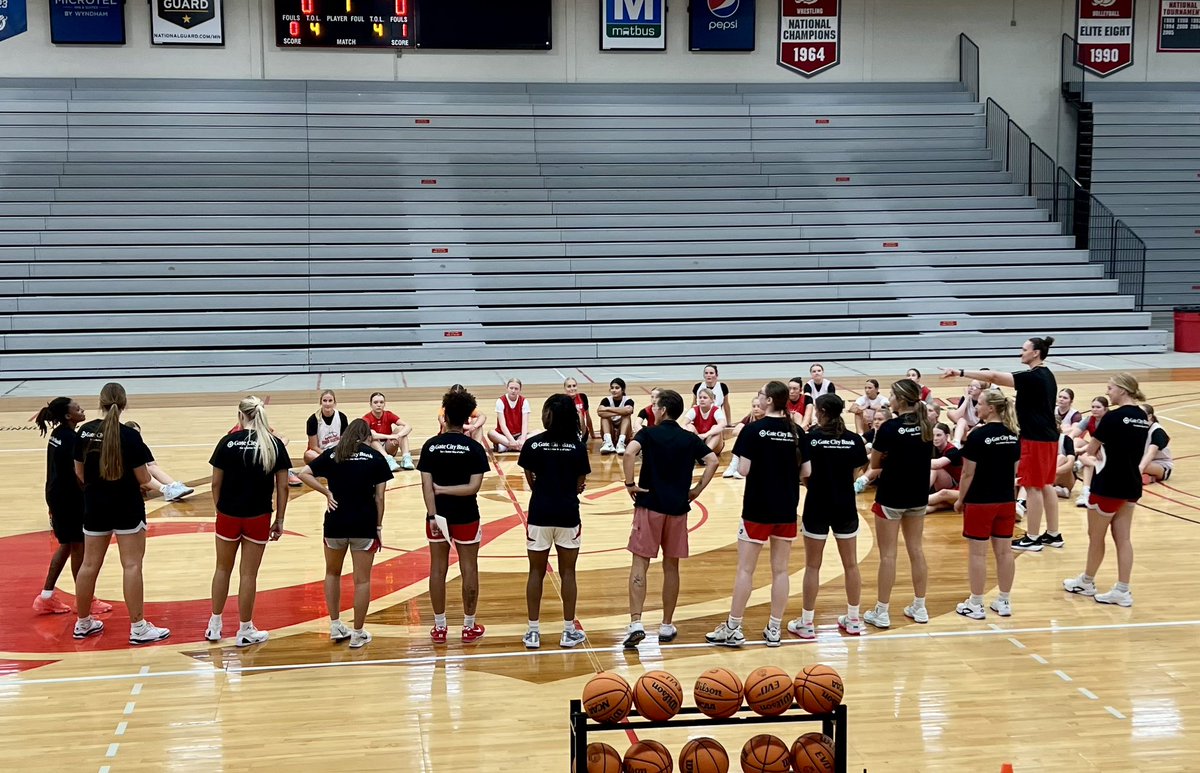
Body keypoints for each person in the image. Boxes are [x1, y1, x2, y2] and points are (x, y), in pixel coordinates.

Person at [940, 336, 1061, 552]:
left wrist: (960, 372)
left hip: (1036, 438)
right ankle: (1053, 533)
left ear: (1035, 353)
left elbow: (994, 376)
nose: (1020, 352)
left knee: (1033, 487)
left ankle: (1033, 537)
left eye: (1024, 349)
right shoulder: (1047, 375)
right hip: (1049, 436)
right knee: (1045, 485)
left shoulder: (1033, 377)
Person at [71, 383, 170, 645]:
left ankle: (83, 623)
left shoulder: (85, 432)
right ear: (124, 403)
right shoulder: (130, 436)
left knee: (89, 565)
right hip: (127, 506)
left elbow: (79, 473)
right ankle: (138, 628)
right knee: (132, 565)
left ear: (100, 402)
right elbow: (144, 477)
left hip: (94, 506)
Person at [707, 382, 802, 647]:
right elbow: (806, 473)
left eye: (760, 394)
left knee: (745, 570)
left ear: (769, 400)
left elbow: (744, 469)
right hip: (787, 509)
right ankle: (774, 629)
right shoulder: (797, 431)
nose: (757, 397)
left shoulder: (753, 430)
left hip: (757, 508)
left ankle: (733, 627)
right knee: (781, 571)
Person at [621, 389, 718, 648]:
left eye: (655, 405)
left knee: (640, 564)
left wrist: (630, 483)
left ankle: (636, 623)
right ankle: (665, 625)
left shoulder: (649, 433)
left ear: (663, 410)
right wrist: (696, 490)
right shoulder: (689, 438)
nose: (652, 408)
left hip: (650, 506)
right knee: (671, 567)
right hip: (678, 510)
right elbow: (713, 460)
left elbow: (629, 453)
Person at [294, 419, 392, 648]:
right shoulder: (376, 458)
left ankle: (336, 624)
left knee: (332, 573)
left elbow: (303, 473)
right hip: (364, 524)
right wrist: (378, 527)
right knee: (362, 580)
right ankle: (358, 633)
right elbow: (380, 498)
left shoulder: (333, 454)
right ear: (368, 436)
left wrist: (326, 492)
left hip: (335, 523)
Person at [205, 396, 291, 646]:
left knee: (222, 569)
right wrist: (280, 519)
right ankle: (244, 630)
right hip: (258, 516)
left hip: (228, 515)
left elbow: (215, 483)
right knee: (248, 575)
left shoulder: (227, 442)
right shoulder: (274, 444)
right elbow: (283, 486)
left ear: (241, 416)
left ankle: (215, 625)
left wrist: (220, 510)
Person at [1063, 374, 1150, 607]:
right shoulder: (1143, 416)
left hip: (1109, 483)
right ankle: (1123, 589)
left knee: (1096, 536)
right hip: (1132, 483)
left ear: (1122, 390)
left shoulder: (1113, 417)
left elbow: (1091, 449)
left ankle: (1087, 581)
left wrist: (1082, 457)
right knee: (1123, 539)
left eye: (1110, 388)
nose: (1108, 392)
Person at [787, 394, 868, 639]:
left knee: (813, 565)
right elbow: (857, 471)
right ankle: (854, 619)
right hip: (845, 505)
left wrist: (817, 485)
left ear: (821, 411)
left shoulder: (810, 439)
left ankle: (807, 623)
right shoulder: (854, 440)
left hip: (817, 504)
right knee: (851, 564)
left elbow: (805, 474)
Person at [518, 395, 591, 649]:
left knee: (535, 572)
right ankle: (568, 631)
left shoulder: (533, 445)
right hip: (568, 514)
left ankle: (533, 632)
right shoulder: (577, 447)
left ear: (548, 415)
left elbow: (530, 480)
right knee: (568, 572)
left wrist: (544, 491)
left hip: (539, 514)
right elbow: (580, 484)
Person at [420, 388, 491, 644]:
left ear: (445, 415)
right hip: (467, 516)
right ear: (467, 419)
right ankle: (468, 626)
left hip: (437, 516)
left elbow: (426, 487)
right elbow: (473, 488)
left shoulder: (430, 446)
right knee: (469, 568)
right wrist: (448, 490)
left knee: (437, 569)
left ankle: (440, 628)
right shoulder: (474, 448)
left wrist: (432, 515)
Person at [863, 379, 935, 629]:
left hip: (892, 495)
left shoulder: (889, 428)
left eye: (891, 395)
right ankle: (920, 606)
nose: (888, 400)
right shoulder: (927, 425)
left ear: (900, 399)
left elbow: (873, 464)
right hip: (917, 496)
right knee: (917, 551)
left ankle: (882, 611)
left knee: (888, 556)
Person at [32, 398, 111, 616]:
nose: (82, 409)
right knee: (79, 547)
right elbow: (78, 475)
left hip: (56, 496)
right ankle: (85, 600)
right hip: (69, 499)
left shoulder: (57, 435)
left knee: (66, 545)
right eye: (77, 409)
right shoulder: (71, 439)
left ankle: (46, 597)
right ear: (68, 416)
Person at [953, 388, 1022, 620]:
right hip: (1006, 501)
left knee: (978, 555)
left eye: (979, 404)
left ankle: (976, 603)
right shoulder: (1013, 434)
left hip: (981, 501)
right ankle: (1004, 601)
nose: (976, 408)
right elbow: (1014, 471)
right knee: (1004, 552)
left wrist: (961, 499)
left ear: (991, 407)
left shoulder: (978, 436)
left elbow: (967, 474)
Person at [122, 421, 195, 502]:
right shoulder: (124, 447)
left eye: (139, 433)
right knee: (145, 469)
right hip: (125, 479)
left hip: (141, 477)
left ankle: (174, 486)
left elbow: (154, 466)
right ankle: (166, 490)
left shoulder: (141, 446)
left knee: (152, 468)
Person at [1071, 396, 1109, 507]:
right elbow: (1074, 433)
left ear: (1105, 409)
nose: (1094, 409)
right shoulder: (1089, 419)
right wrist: (1069, 444)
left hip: (1107, 451)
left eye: (1098, 407)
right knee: (1076, 441)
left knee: (1086, 459)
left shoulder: (1109, 420)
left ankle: (1085, 491)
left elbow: (1102, 441)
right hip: (1095, 449)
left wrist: (1081, 450)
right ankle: (1086, 491)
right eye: (1093, 407)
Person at [364, 392, 414, 471]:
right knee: (371, 435)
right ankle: (388, 460)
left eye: (381, 402)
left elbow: (408, 426)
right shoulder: (366, 418)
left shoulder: (388, 414)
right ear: (370, 404)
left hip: (389, 446)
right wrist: (390, 436)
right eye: (375, 402)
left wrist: (398, 436)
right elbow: (368, 435)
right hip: (375, 449)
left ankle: (406, 458)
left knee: (401, 428)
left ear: (384, 404)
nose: (379, 405)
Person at [723, 400, 765, 479]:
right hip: (751, 446)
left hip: (764, 447)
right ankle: (734, 466)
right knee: (741, 437)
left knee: (745, 438)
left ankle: (744, 469)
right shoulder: (749, 418)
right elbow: (735, 431)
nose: (756, 409)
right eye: (754, 406)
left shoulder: (768, 418)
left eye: (758, 406)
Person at [488, 378, 531, 454]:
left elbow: (525, 424)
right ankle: (518, 446)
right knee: (491, 433)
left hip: (519, 435)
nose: (513, 391)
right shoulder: (500, 401)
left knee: (538, 432)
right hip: (504, 435)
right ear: (507, 388)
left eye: (516, 388)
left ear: (520, 390)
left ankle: (506, 446)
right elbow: (502, 425)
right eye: (511, 388)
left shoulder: (524, 401)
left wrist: (522, 439)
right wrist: (512, 441)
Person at [305, 389, 348, 464]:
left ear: (334, 402)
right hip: (321, 453)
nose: (327, 404)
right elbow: (313, 446)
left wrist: (337, 454)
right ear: (320, 402)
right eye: (325, 400)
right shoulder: (313, 420)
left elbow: (343, 441)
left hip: (337, 452)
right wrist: (327, 455)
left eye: (330, 400)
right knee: (308, 455)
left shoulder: (342, 417)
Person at [683, 387, 726, 457]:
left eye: (705, 398)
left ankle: (705, 453)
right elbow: (683, 425)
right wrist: (694, 437)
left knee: (716, 427)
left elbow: (723, 424)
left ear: (712, 400)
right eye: (700, 397)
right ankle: (694, 452)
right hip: (700, 440)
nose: (702, 399)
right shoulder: (694, 410)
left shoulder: (716, 410)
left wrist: (705, 435)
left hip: (714, 444)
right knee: (689, 426)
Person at [597, 378, 635, 455]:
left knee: (626, 416)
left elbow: (629, 410)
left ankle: (621, 443)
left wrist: (607, 408)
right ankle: (608, 443)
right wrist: (621, 412)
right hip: (610, 432)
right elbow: (600, 412)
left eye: (617, 388)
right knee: (604, 417)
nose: (614, 390)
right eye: (612, 388)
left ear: (623, 390)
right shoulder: (606, 400)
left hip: (624, 433)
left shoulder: (628, 400)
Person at [1138, 404, 1172, 485]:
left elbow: (1151, 453)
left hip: (1161, 466)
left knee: (1134, 466)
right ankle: (1150, 478)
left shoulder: (1157, 431)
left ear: (1149, 416)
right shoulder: (1138, 428)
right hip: (1144, 461)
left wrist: (1140, 468)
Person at [947, 380, 983, 446]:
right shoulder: (965, 398)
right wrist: (966, 399)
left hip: (977, 428)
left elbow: (983, 421)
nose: (971, 388)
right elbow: (956, 416)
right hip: (965, 428)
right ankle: (956, 443)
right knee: (955, 416)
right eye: (970, 386)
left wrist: (973, 429)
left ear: (981, 390)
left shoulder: (984, 401)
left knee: (979, 426)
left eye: (974, 386)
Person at [801, 363, 836, 430]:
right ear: (811, 374)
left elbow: (832, 399)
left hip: (825, 406)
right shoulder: (808, 385)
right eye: (814, 371)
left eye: (819, 371)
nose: (816, 373)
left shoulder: (829, 384)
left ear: (823, 372)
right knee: (811, 408)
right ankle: (815, 424)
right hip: (813, 407)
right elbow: (807, 399)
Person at [563, 378, 594, 444]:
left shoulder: (583, 397)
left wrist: (592, 434)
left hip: (581, 430)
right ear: (565, 388)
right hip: (566, 431)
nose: (572, 388)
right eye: (569, 386)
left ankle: (580, 438)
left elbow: (588, 417)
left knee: (579, 413)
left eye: (574, 386)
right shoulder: (561, 399)